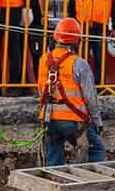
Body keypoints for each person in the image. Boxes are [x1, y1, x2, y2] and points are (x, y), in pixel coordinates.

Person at [38, 17, 105, 167]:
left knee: (53, 154)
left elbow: (41, 90)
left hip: (49, 119)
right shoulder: (79, 64)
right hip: (73, 121)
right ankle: (97, 182)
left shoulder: (43, 60)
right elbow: (90, 97)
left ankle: (53, 181)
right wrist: (97, 122)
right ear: (76, 41)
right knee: (97, 148)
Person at [67, 0, 115, 80]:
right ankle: (81, 84)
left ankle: (99, 86)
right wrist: (72, 27)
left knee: (100, 60)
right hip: (82, 29)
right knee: (81, 59)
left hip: (100, 29)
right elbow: (71, 11)